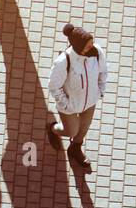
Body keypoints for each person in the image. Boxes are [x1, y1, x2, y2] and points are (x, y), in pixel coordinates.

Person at [46, 23, 108, 174]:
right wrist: (67, 105)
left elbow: (103, 73)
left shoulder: (97, 52)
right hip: (70, 107)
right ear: (78, 46)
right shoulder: (64, 61)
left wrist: (100, 92)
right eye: (87, 46)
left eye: (92, 43)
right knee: (71, 131)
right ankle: (53, 129)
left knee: (82, 131)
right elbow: (54, 86)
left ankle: (75, 149)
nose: (92, 48)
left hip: (90, 102)